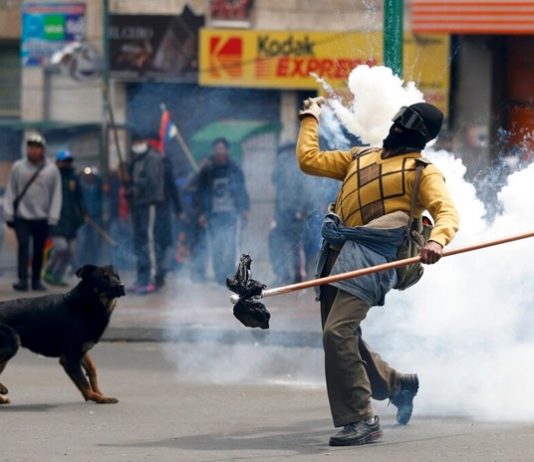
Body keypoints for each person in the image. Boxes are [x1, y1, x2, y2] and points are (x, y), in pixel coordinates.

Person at [296, 97, 460, 446]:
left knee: (337, 333)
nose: (397, 127)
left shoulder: (423, 171)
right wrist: (310, 118)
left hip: (374, 258)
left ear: (421, 135)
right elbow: (309, 160)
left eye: (407, 124)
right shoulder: (360, 156)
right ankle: (396, 385)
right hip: (335, 253)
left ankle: (361, 419)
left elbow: (446, 211)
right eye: (399, 119)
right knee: (343, 335)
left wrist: (438, 241)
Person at [3, 133, 62, 291]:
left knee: (39, 249)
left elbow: (56, 195)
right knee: (23, 245)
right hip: (22, 216)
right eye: (31, 147)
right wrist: (8, 213)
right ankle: (22, 279)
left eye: (37, 147)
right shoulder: (18, 167)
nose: (34, 150)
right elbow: (11, 191)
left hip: (42, 217)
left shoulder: (52, 170)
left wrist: (53, 217)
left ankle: (36, 280)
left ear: (43, 149)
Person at [195, 138, 250, 284]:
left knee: (231, 244)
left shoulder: (234, 169)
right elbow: (200, 193)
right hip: (213, 214)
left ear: (227, 151)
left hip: (231, 213)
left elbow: (242, 189)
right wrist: (201, 213)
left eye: (222, 149)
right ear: (213, 151)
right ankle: (219, 275)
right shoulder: (207, 170)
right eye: (217, 149)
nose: (219, 152)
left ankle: (229, 273)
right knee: (216, 245)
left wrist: (245, 208)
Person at [125, 127, 165, 295]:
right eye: (134, 142)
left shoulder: (153, 158)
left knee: (149, 241)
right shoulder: (137, 159)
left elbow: (151, 181)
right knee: (139, 243)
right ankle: (141, 278)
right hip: (138, 204)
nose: (137, 144)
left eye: (139, 141)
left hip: (150, 203)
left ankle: (152, 279)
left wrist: (135, 188)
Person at [44, 150, 86, 286]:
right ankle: (49, 270)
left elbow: (80, 198)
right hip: (56, 219)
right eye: (63, 161)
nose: (66, 164)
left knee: (71, 251)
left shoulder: (74, 178)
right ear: (57, 162)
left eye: (68, 161)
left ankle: (58, 276)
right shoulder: (52, 177)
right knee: (61, 247)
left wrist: (83, 212)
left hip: (71, 220)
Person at [154, 154, 182, 289]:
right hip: (149, 211)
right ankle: (155, 273)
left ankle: (159, 273)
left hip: (163, 211)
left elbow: (172, 188)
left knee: (161, 244)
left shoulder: (165, 166)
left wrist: (178, 209)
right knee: (153, 244)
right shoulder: (141, 163)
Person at [77, 166, 104, 267]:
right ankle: (80, 263)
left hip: (96, 217)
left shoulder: (98, 186)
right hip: (83, 218)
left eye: (90, 175)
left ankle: (95, 262)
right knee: (82, 241)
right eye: (86, 175)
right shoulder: (81, 187)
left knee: (95, 241)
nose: (88, 177)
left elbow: (103, 199)